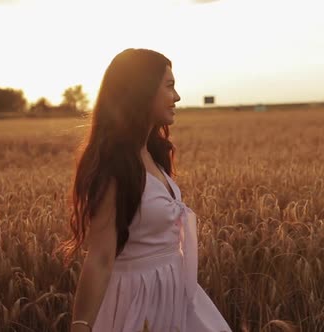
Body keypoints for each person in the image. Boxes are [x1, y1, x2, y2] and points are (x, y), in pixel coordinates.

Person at [57, 48, 232, 332]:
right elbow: (101, 256)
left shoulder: (151, 153)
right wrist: (80, 326)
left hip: (174, 294)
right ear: (143, 91)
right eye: (170, 86)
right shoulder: (115, 165)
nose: (176, 97)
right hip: (138, 303)